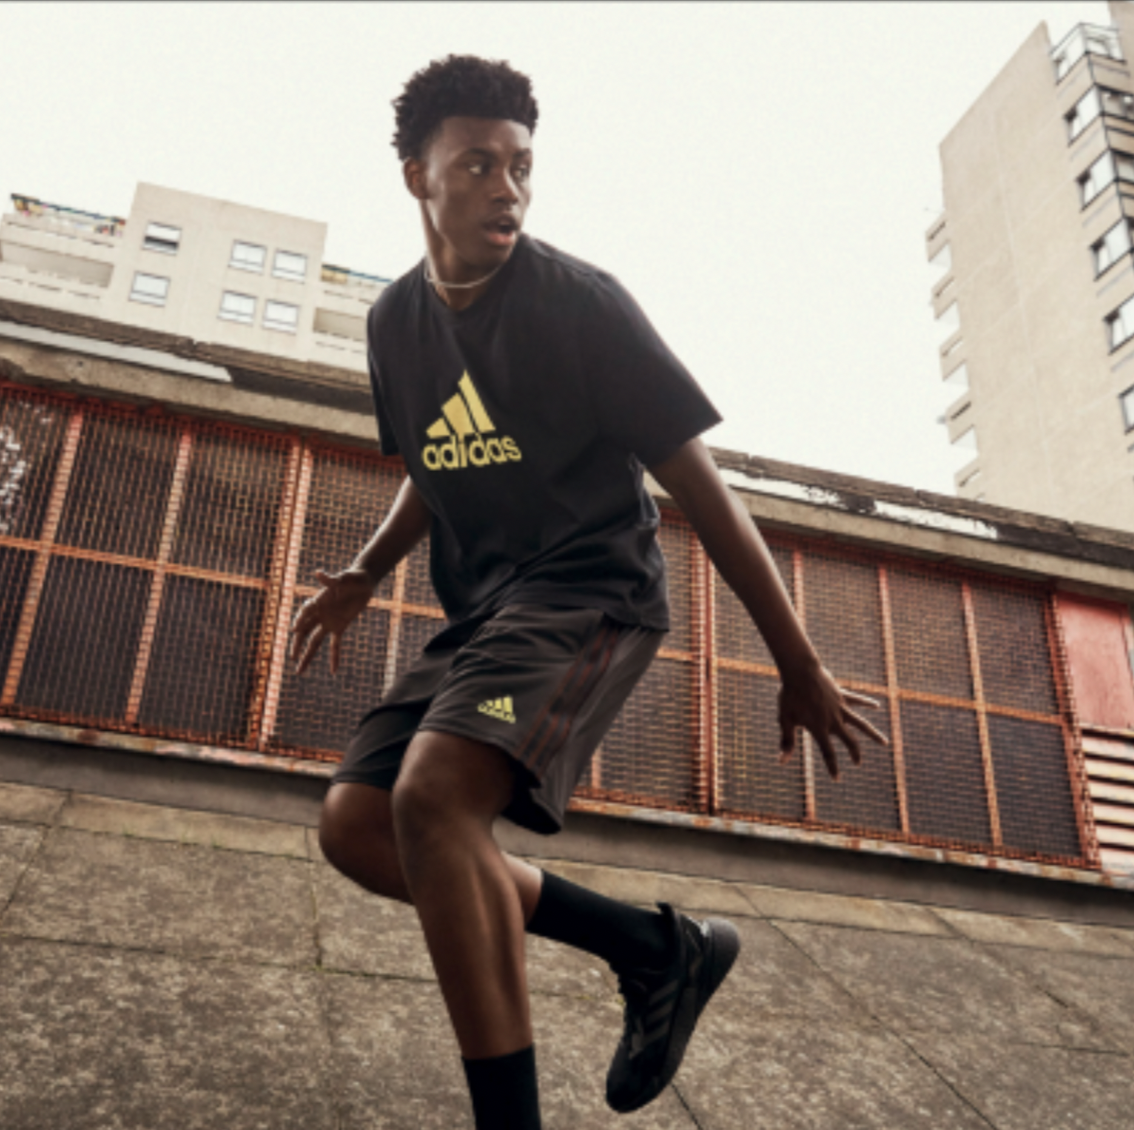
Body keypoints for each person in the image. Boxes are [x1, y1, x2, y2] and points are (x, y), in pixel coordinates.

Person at [289, 54, 887, 1129]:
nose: (504, 187)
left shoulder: (581, 305)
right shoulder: (393, 324)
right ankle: (655, 948)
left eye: (519, 166)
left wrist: (797, 660)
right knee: (359, 826)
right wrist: (364, 569)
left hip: (590, 590)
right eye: (475, 164)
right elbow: (437, 458)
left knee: (433, 800)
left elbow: (705, 493)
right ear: (416, 177)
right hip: (485, 608)